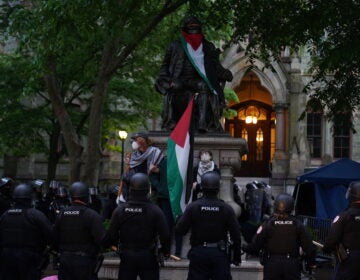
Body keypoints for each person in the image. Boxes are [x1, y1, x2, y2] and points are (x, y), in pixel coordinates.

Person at [155, 15, 233, 132]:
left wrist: (226, 73)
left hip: (197, 80)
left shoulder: (207, 46)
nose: (193, 29)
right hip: (179, 79)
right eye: (191, 26)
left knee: (204, 86)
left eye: (195, 26)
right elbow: (165, 66)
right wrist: (165, 80)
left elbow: (215, 67)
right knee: (176, 86)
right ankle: (172, 122)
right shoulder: (175, 45)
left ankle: (202, 123)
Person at [175, 171, 242, 280]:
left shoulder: (193, 207)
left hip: (199, 253)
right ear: (218, 188)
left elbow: (180, 230)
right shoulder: (226, 209)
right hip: (219, 254)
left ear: (201, 187)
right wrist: (237, 257)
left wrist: (180, 218)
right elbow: (236, 235)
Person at [105, 173, 171, 280]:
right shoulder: (155, 210)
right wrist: (165, 251)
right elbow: (165, 235)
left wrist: (115, 247)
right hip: (148, 256)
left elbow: (111, 233)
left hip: (127, 255)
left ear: (130, 189)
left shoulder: (120, 210)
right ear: (147, 190)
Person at [242, 193, 316, 280]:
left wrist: (244, 247)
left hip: (272, 264)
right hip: (291, 265)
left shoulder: (268, 224)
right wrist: (311, 263)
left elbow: (256, 245)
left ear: (276, 206)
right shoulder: (297, 224)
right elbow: (309, 247)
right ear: (291, 207)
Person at [53, 181, 106, 280]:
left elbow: (54, 237)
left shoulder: (62, 214)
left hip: (65, 260)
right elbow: (102, 239)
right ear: (87, 196)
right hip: (85, 262)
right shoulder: (92, 215)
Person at [0, 183, 53, 280]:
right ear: (30, 198)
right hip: (29, 258)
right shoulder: (35, 215)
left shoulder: (5, 215)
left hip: (7, 258)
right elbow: (51, 235)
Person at [322, 181, 360, 280]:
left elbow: (332, 239)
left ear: (351, 195)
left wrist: (326, 248)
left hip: (348, 260)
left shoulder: (344, 216)